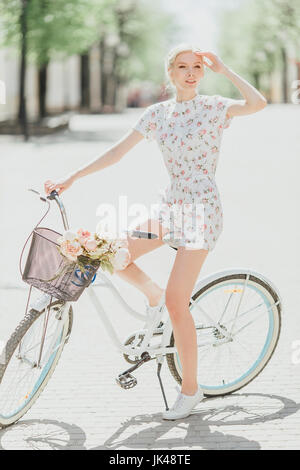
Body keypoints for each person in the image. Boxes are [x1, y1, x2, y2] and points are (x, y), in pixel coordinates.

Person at [44, 43, 267, 420]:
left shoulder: (213, 107)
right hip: (171, 206)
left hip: (202, 212)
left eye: (197, 66)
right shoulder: (158, 114)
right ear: (171, 73)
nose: (191, 73)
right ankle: (153, 295)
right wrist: (71, 178)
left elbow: (257, 104)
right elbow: (116, 153)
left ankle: (191, 390)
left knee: (179, 304)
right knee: (112, 253)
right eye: (183, 66)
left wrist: (226, 69)